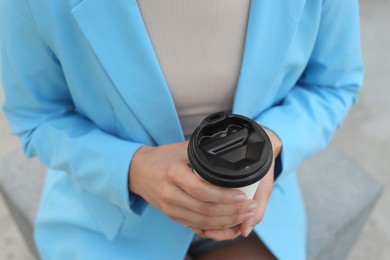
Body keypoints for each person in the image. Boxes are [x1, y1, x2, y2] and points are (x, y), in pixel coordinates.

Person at [0, 0, 363, 259]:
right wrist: (132, 169)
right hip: (113, 219)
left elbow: (333, 84)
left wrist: (271, 145)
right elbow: (37, 116)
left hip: (254, 208)